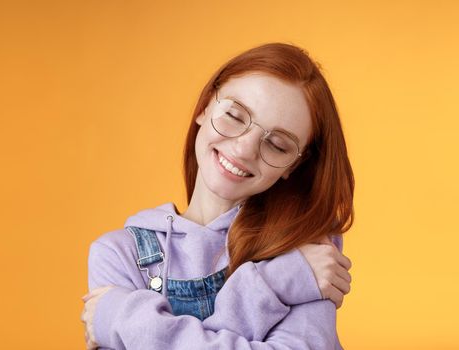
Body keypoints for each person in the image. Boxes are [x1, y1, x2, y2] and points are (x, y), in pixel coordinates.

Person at [81, 42, 355, 350]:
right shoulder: (119, 253)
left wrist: (125, 321)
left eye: (277, 144)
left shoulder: (305, 245)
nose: (243, 149)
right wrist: (276, 284)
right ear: (205, 106)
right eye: (235, 116)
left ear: (295, 164)